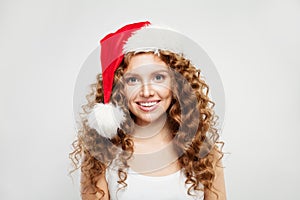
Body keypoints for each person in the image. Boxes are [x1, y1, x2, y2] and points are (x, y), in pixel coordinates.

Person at [70, 21, 226, 200]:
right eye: (133, 80)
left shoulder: (203, 149)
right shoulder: (103, 152)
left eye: (158, 77)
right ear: (119, 88)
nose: (146, 92)